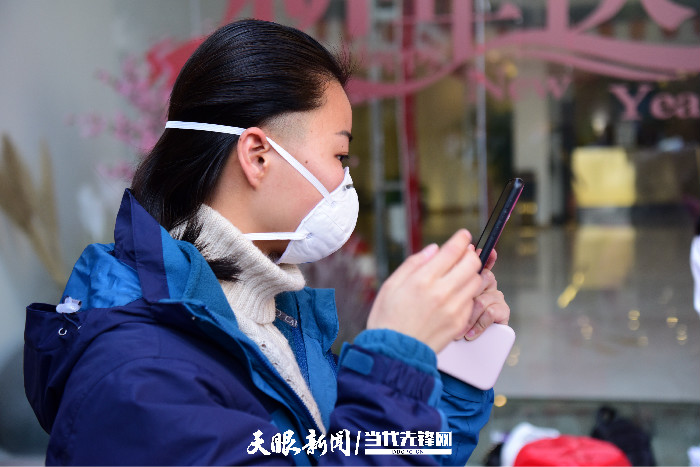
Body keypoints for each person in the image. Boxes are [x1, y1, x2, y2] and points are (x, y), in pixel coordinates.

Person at [24, 19, 510, 465]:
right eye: (340, 155)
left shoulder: (269, 318)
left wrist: (457, 365)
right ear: (257, 156)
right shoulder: (142, 372)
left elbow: (371, 453)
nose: (346, 181)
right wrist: (396, 356)